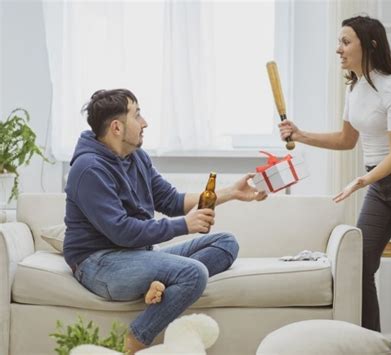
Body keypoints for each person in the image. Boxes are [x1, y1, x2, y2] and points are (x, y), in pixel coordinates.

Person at [279, 16, 391, 355]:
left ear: (370, 44)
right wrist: (301, 134)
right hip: (380, 184)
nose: (339, 49)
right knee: (360, 265)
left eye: (346, 42)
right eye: (339, 41)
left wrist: (361, 180)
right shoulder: (355, 87)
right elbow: (347, 140)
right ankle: (372, 345)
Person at [63, 88, 267, 354]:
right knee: (193, 273)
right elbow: (122, 231)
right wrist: (185, 225)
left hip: (136, 256)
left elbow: (171, 201)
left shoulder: (136, 157)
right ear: (116, 127)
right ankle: (132, 342)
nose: (145, 122)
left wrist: (231, 193)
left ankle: (159, 284)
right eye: (137, 115)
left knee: (226, 243)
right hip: (99, 264)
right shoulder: (89, 169)